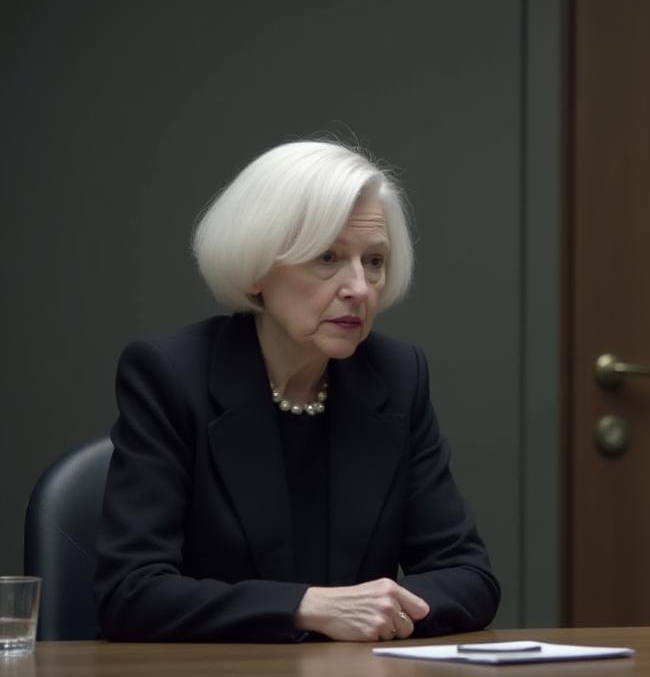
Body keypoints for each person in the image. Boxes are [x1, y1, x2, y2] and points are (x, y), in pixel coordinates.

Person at [94, 141, 500, 642]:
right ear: (258, 270)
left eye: (374, 261)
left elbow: (469, 576)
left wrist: (382, 608)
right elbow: (131, 591)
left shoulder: (396, 377)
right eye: (327, 257)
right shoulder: (172, 375)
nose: (360, 288)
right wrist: (305, 607)